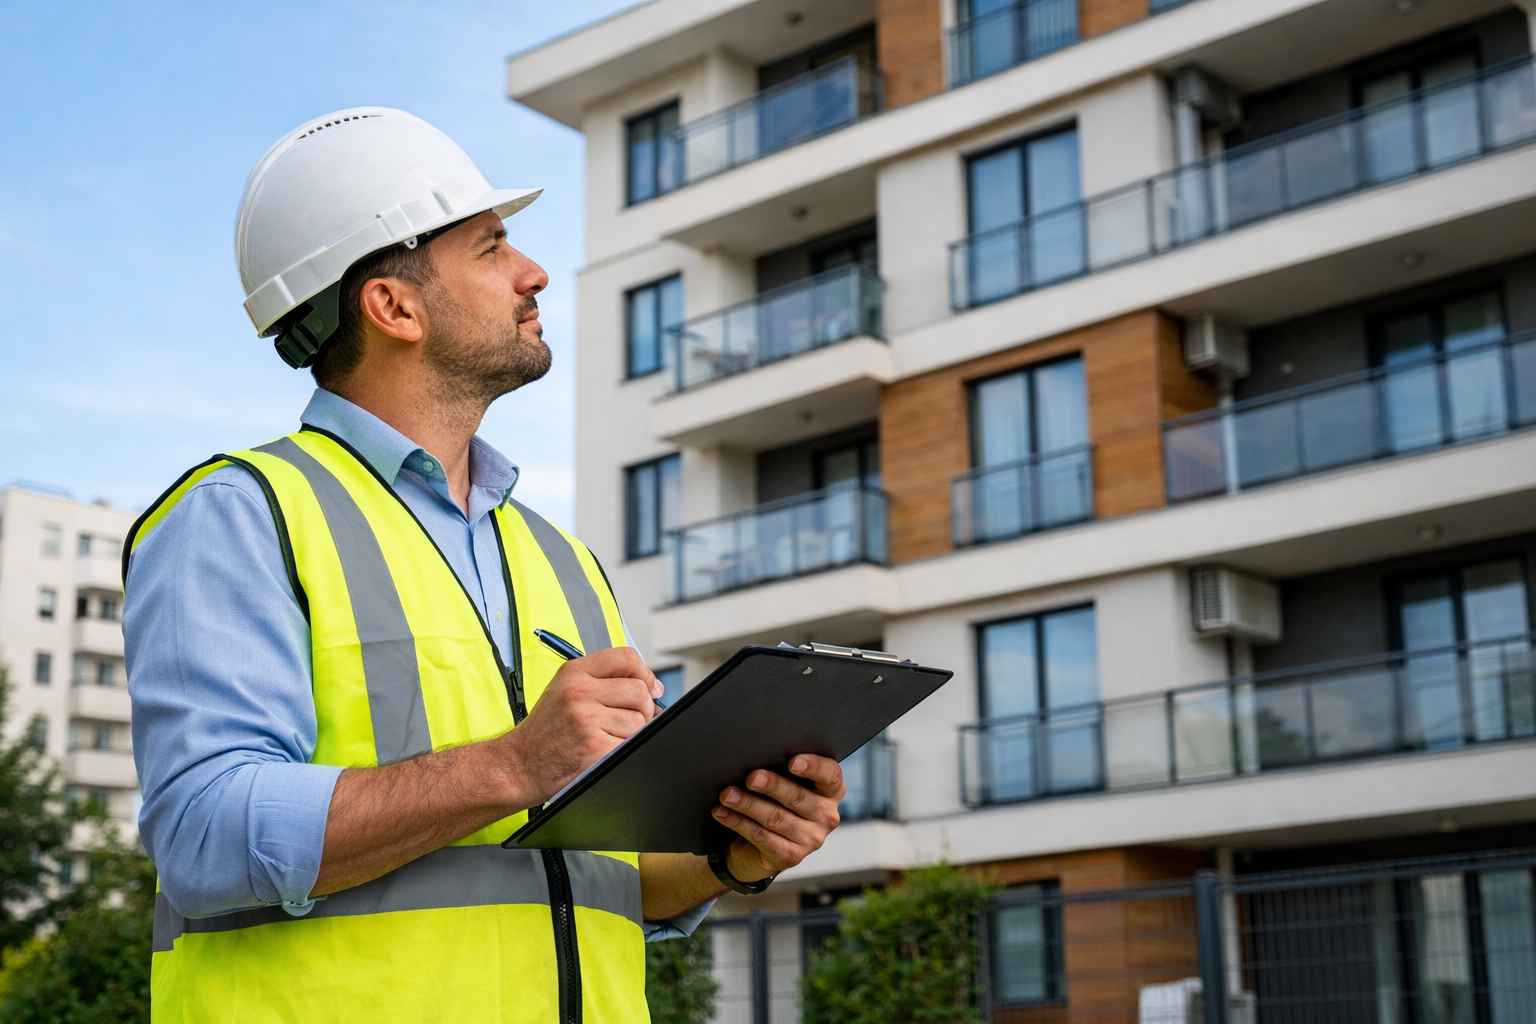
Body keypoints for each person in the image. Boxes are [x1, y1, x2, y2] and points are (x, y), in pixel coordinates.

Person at [124, 107, 846, 1023]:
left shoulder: (563, 559)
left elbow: (599, 881)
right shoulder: (241, 515)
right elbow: (203, 833)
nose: (532, 272)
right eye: (493, 246)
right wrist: (514, 764)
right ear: (395, 306)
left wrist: (735, 850)